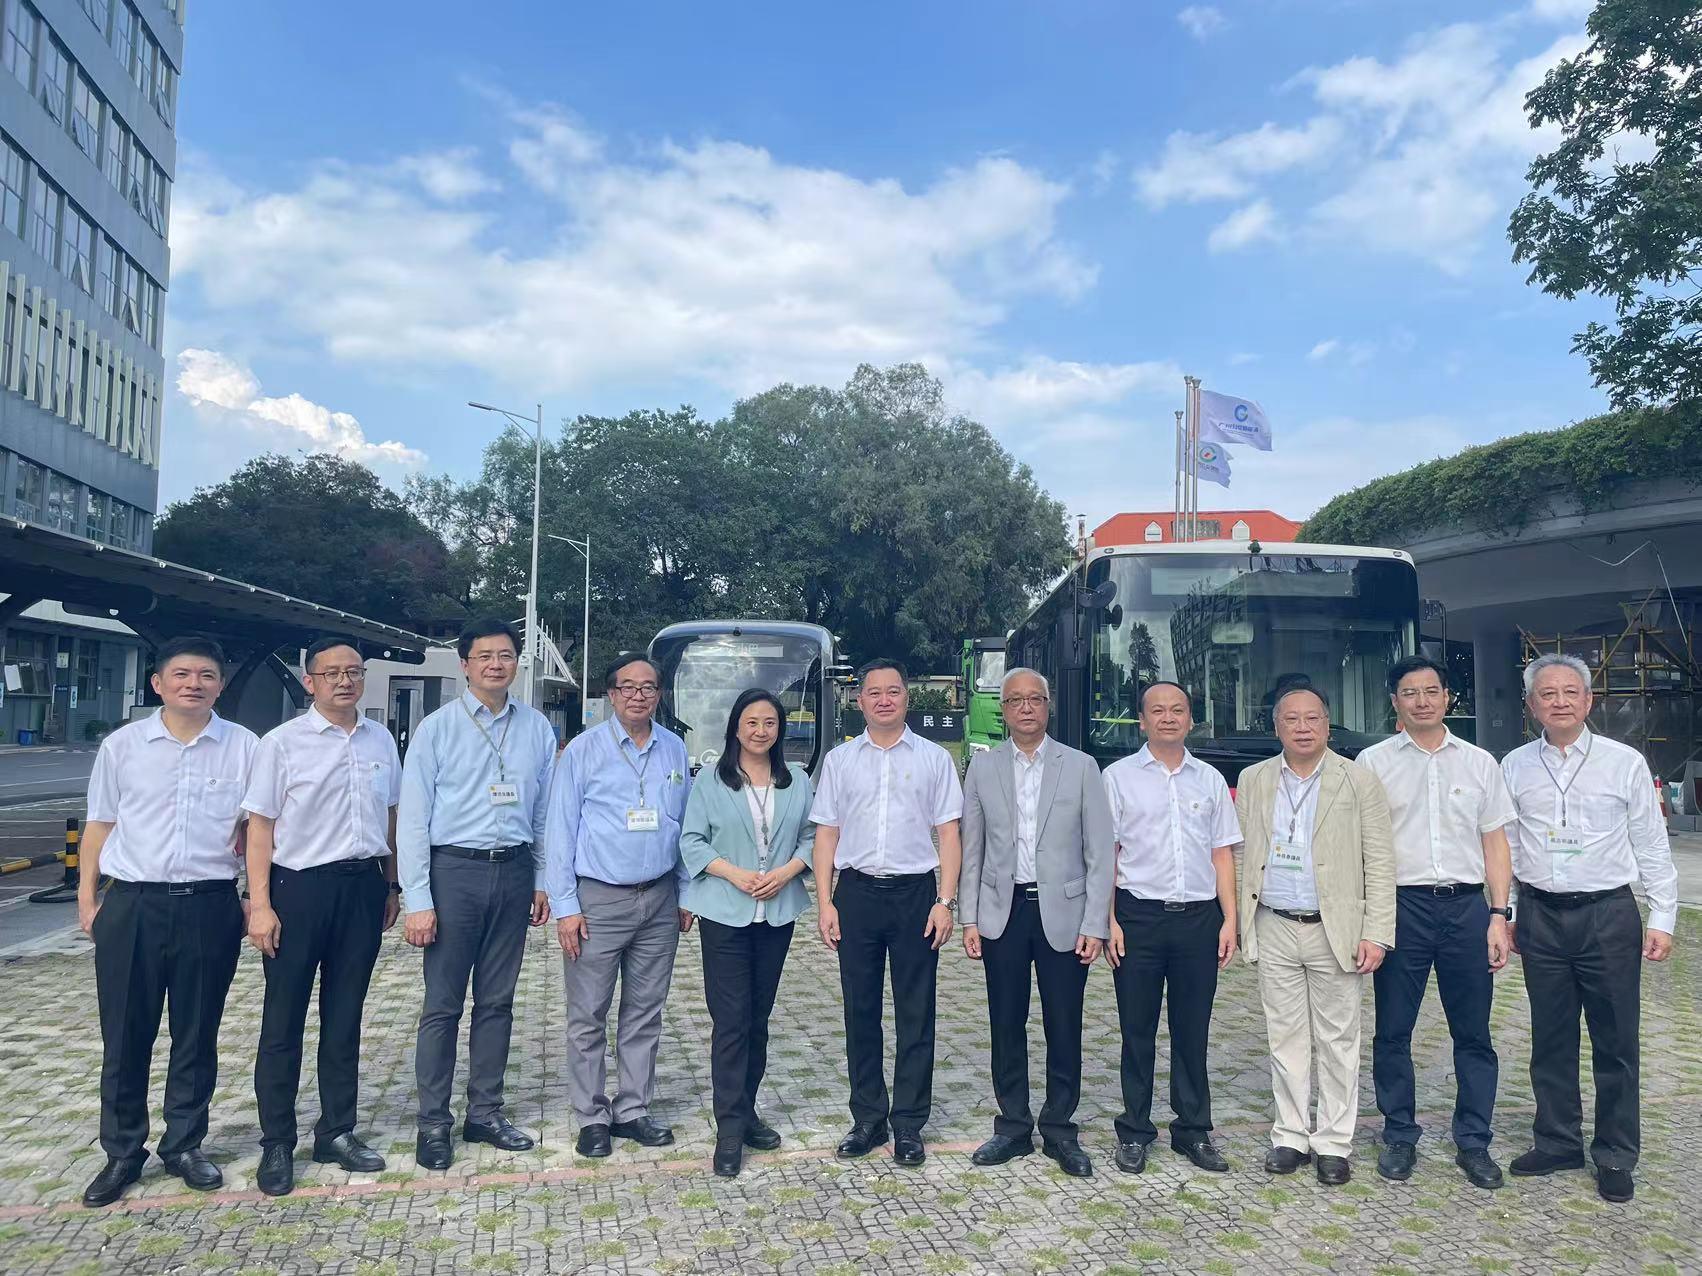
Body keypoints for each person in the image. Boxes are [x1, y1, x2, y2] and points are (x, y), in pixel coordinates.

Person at [77, 637, 258, 1208]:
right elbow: (100, 824)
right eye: (181, 674)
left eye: (206, 674)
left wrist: (255, 892)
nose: (193, 683)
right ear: (157, 683)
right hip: (132, 905)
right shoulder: (124, 746)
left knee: (197, 1032)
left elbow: (260, 823)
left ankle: (183, 1143)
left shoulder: (244, 747)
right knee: (126, 1032)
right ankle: (122, 1151)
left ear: (220, 685)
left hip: (210, 904)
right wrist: (87, 899)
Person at [1501, 653, 1677, 1204]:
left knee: (1616, 1037)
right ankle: (1556, 1140)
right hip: (1541, 914)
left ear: (1588, 700)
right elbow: (1504, 846)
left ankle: (1616, 1153)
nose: (1559, 702)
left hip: (1609, 913)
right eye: (1546, 694)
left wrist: (1663, 916)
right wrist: (1503, 914)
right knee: (1551, 1036)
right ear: (1531, 705)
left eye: (1569, 692)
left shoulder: (1624, 763)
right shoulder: (1514, 766)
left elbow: (1651, 842)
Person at [242, 637, 402, 1196]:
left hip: (361, 888)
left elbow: (390, 814)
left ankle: (336, 1129)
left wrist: (390, 884)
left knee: (345, 1017)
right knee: (282, 1022)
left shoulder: (381, 739)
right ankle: (276, 1142)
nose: (344, 681)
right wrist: (259, 905)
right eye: (330, 673)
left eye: (353, 672)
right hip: (298, 890)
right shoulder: (281, 744)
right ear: (309, 681)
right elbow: (259, 826)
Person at [398, 618, 556, 1171]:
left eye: (506, 655)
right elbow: (413, 819)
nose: (496, 664)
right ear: (465, 664)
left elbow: (542, 813)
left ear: (518, 662)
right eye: (485, 656)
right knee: (442, 1006)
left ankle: (484, 1112)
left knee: (497, 1001)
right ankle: (433, 1123)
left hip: (512, 872)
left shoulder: (536, 728)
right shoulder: (437, 729)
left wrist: (541, 880)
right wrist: (418, 897)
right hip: (453, 874)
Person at [1358, 655, 1515, 1191]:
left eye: (1431, 691)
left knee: (1472, 1032)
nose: (1421, 700)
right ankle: (1399, 1133)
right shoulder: (1373, 763)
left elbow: (1495, 842)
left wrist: (1499, 914)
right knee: (1394, 1029)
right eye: (1409, 692)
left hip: (1468, 908)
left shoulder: (1479, 763)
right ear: (1394, 701)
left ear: (1448, 697)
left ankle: (1474, 1140)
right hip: (1401, 908)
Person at [1234, 679, 1396, 1185]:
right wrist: (1238, 921)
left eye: (1313, 718)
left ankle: (1333, 1142)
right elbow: (1241, 854)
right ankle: (1289, 1135)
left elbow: (1380, 861)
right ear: (1276, 726)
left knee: (1339, 1039)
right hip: (1275, 921)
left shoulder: (1357, 780)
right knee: (1285, 1037)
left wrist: (1378, 932)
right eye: (1291, 719)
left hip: (1337, 928)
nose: (1302, 727)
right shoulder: (1256, 778)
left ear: (1328, 724)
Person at [960, 668, 1112, 1177]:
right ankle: (1013, 1126)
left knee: (1063, 1022)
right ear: (1002, 710)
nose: (1025, 708)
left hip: (1065, 913)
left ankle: (1060, 1129)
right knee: (1006, 1021)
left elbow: (1100, 854)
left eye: (1035, 699)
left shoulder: (1082, 766)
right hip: (1002, 912)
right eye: (1015, 700)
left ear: (1049, 706)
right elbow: (972, 848)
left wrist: (1097, 922)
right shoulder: (982, 769)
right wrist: (969, 918)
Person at [813, 658, 963, 1167]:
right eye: (873, 692)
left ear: (906, 698)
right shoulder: (840, 761)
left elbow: (949, 834)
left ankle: (908, 1124)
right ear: (860, 701)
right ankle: (868, 1117)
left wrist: (945, 901)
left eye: (893, 692)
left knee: (915, 1012)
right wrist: (826, 902)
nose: (883, 700)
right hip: (856, 894)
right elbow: (827, 835)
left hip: (915, 896)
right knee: (861, 1010)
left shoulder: (934, 759)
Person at [545, 653, 693, 1158]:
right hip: (598, 901)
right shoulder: (583, 752)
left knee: (644, 1012)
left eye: (648, 687)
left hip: (658, 899)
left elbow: (684, 825)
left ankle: (633, 1109)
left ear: (659, 695)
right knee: (588, 1013)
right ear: (611, 695)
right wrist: (566, 906)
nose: (638, 696)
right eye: (627, 687)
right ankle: (591, 1115)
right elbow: (560, 830)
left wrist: (685, 892)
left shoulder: (674, 749)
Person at [1101, 681, 1241, 1176]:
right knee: (1136, 1031)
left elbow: (1222, 854)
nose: (1167, 717)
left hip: (1199, 920)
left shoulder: (1209, 780)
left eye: (1177, 709)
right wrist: (1109, 920)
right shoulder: (1117, 778)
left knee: (1192, 1029)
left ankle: (1193, 1130)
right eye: (1157, 710)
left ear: (1190, 718)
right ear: (1140, 720)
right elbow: (1107, 857)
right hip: (1138, 918)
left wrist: (1231, 920)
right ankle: (1135, 1130)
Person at [680, 688, 816, 1177]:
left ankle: (748, 1109)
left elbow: (812, 834)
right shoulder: (711, 783)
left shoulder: (796, 780)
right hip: (725, 912)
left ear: (781, 731)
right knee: (731, 1021)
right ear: (736, 727)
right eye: (752, 722)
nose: (761, 731)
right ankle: (729, 1129)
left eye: (771, 723)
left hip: (776, 914)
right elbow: (691, 841)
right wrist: (734, 874)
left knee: (758, 1017)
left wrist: (789, 871)